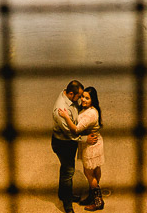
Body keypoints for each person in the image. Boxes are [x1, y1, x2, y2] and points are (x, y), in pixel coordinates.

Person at [51, 80, 97, 213]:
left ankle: (62, 193)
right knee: (69, 172)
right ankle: (67, 203)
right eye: (79, 96)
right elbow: (70, 134)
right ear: (71, 94)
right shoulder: (60, 110)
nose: (81, 99)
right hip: (63, 144)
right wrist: (85, 139)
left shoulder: (68, 96)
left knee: (65, 170)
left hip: (68, 142)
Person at [58, 86, 105, 211]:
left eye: (87, 98)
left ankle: (98, 201)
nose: (83, 100)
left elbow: (76, 129)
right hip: (96, 143)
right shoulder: (92, 109)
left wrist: (65, 116)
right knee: (95, 171)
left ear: (92, 100)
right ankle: (92, 196)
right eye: (83, 96)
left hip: (91, 146)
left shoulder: (89, 114)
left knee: (89, 174)